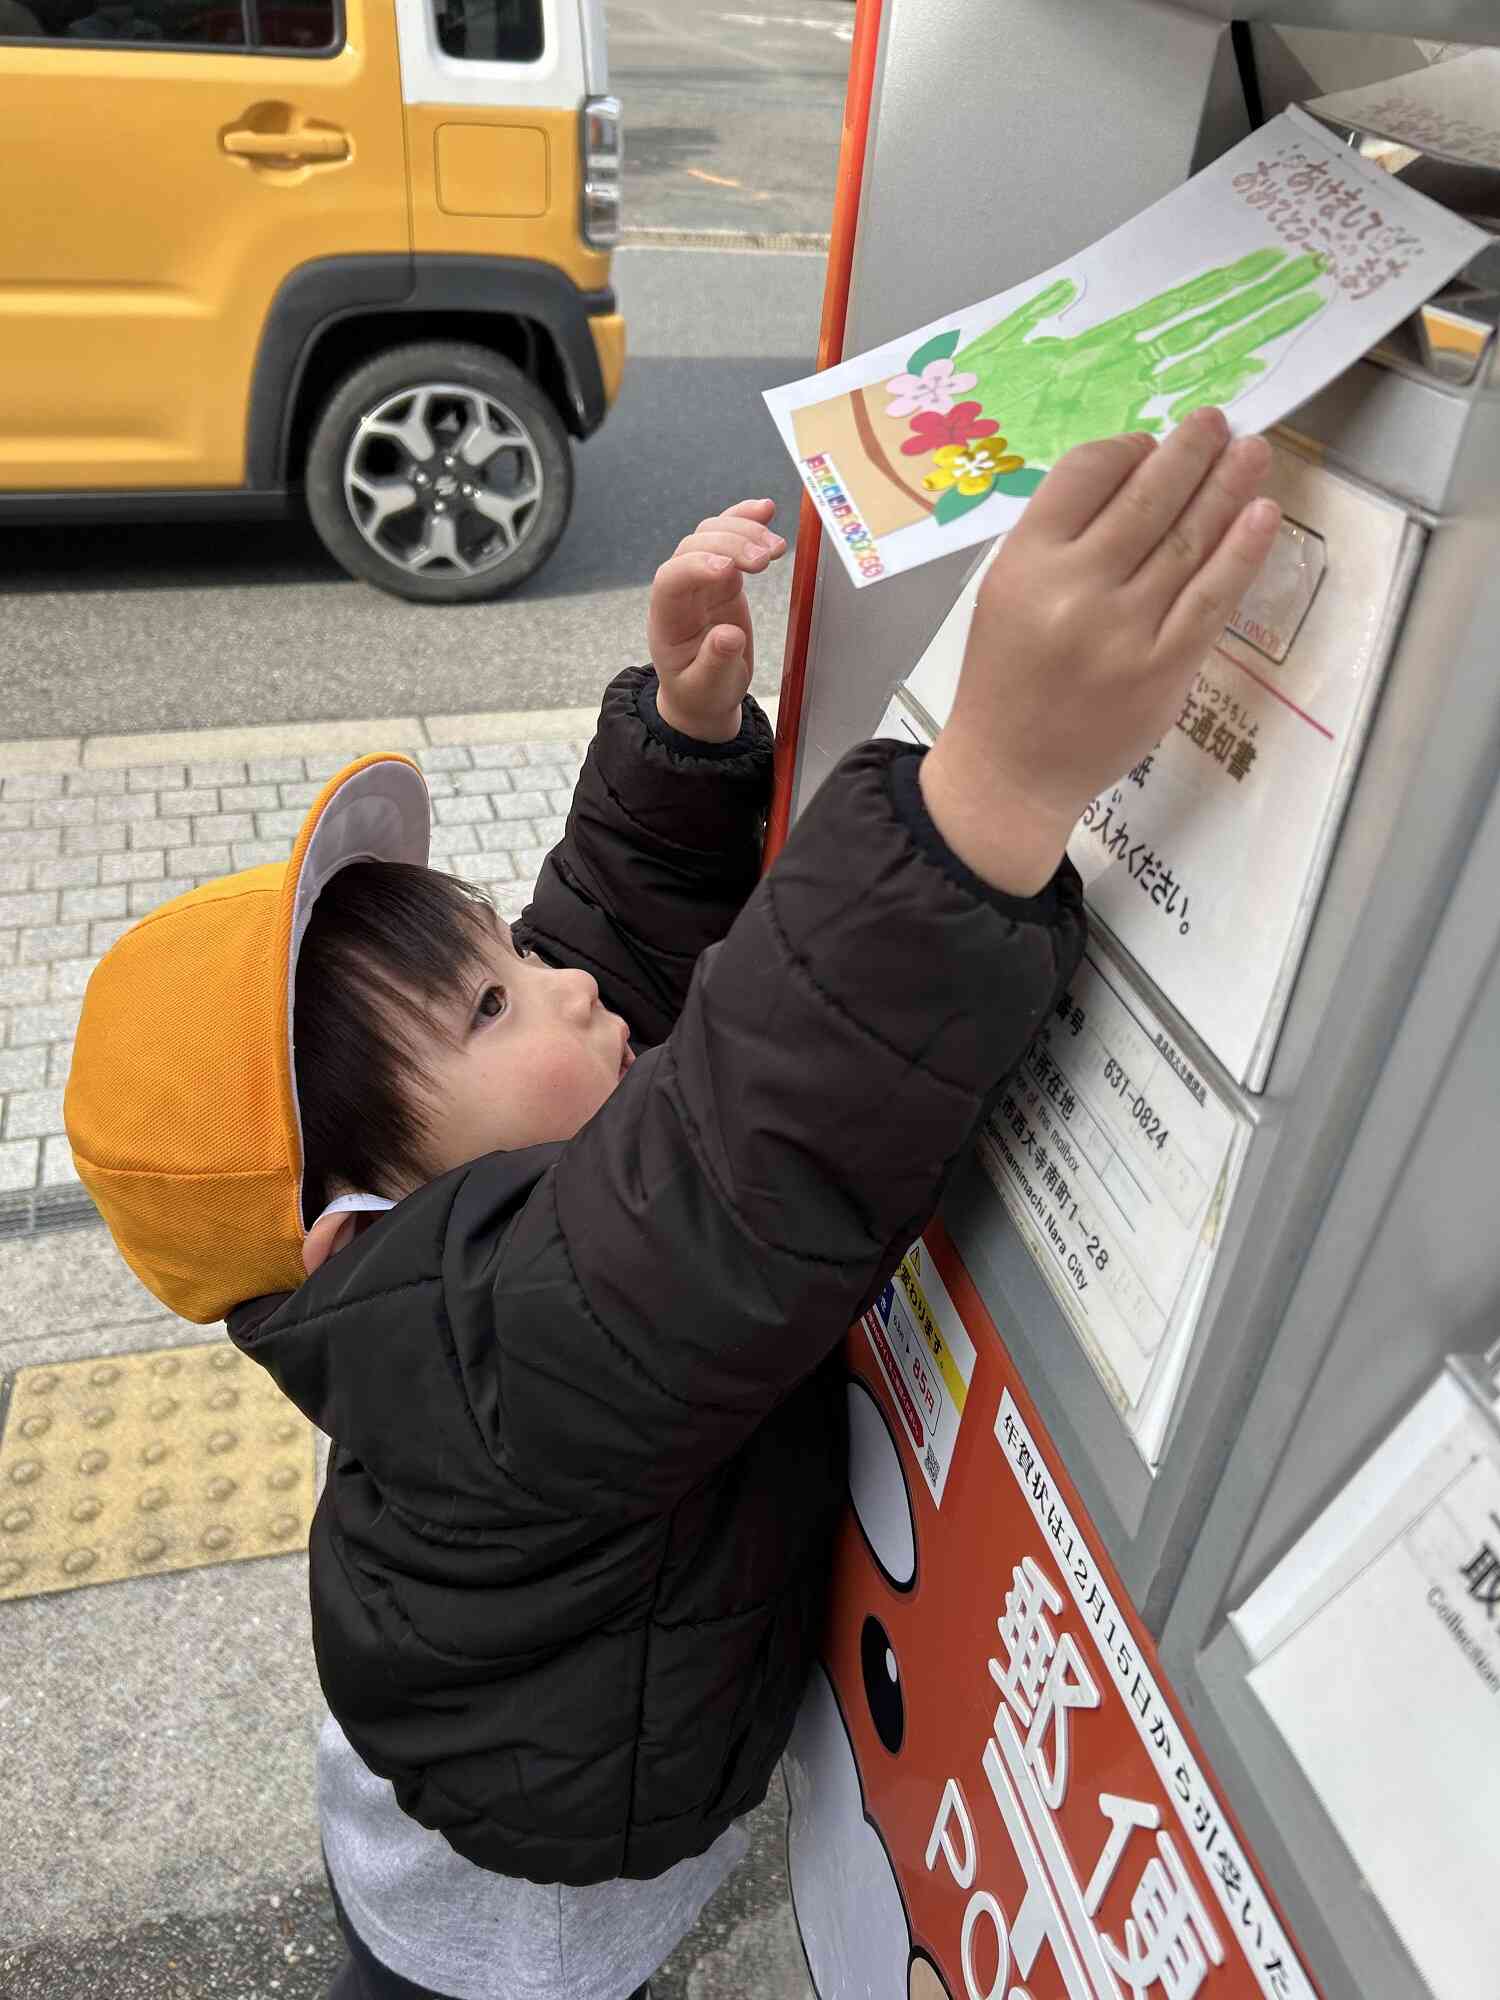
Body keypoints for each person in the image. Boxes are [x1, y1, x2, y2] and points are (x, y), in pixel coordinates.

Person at [64, 409, 1277, 2000]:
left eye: (500, 956)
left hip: (539, 1760)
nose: (559, 986)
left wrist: (685, 743)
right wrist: (986, 792)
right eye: (490, 1011)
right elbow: (724, 1168)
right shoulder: (515, 1341)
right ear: (362, 1235)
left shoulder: (459, 1268)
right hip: (501, 1933)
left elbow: (603, 952)